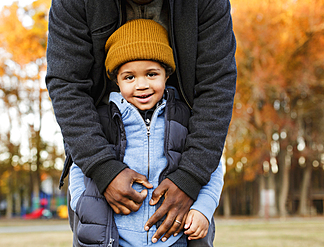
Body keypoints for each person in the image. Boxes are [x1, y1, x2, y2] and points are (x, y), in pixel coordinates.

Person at [45, 0, 236, 244]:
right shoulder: (104, 124)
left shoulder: (183, 126)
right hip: (107, 228)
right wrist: (101, 172)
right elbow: (66, 85)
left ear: (167, 73)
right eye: (130, 77)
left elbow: (217, 85)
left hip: (176, 232)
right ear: (116, 79)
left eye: (152, 74)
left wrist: (192, 184)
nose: (142, 85)